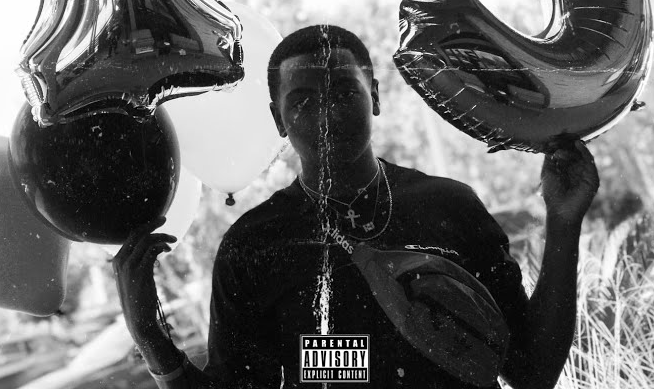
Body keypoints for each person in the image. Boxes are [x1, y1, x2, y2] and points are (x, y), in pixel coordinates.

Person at [114, 25, 599, 389]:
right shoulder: (255, 246)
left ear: (376, 98)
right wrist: (151, 340)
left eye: (344, 92)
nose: (326, 113)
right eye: (302, 101)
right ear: (278, 120)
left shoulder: (450, 207)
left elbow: (531, 371)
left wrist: (564, 219)